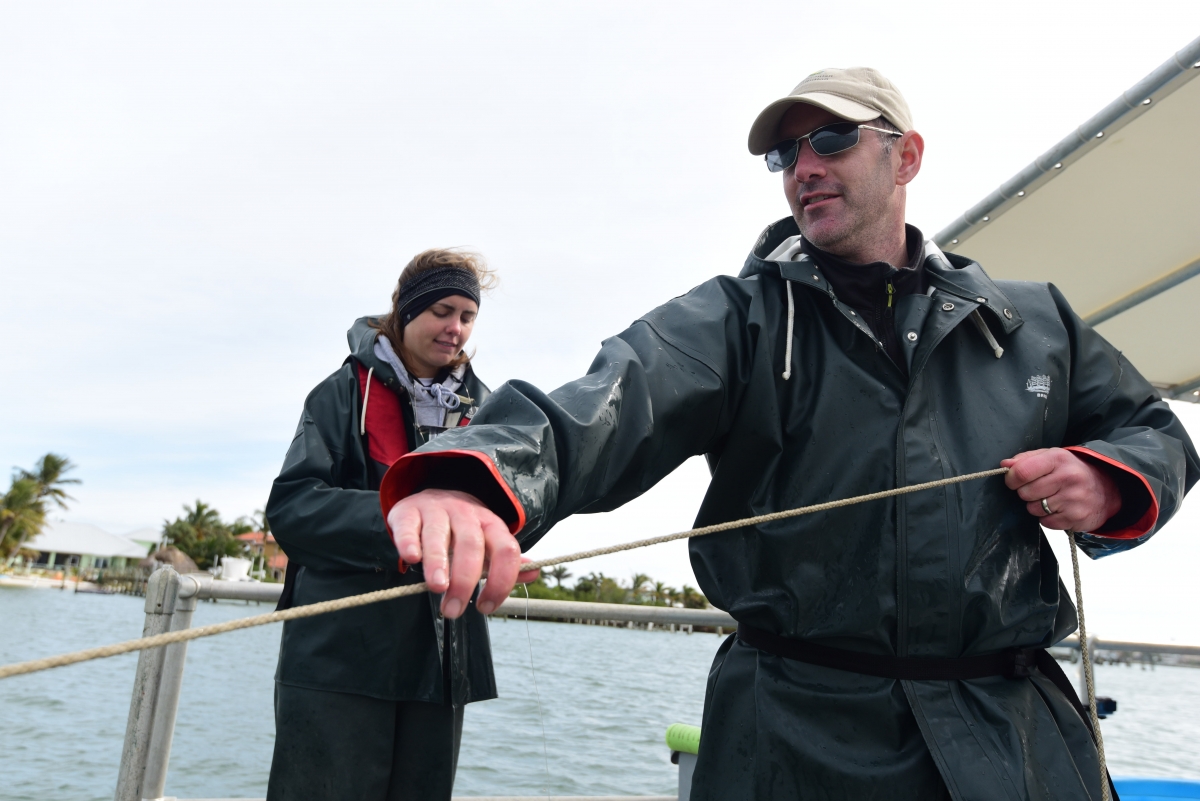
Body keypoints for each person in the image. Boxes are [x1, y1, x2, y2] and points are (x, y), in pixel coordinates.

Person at [376, 70, 1199, 799]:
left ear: (905, 156)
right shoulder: (738, 318)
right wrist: (478, 473)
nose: (804, 167)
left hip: (1014, 737)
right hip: (790, 739)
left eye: (832, 139)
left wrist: (1113, 476)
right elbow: (611, 399)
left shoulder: (1033, 323)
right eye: (785, 155)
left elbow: (1153, 429)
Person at [264, 248, 533, 801]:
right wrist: (407, 522)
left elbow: (508, 511)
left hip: (441, 661)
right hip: (340, 657)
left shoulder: (486, 410)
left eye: (467, 316)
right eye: (441, 310)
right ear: (405, 311)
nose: (454, 328)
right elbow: (292, 508)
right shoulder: (342, 394)